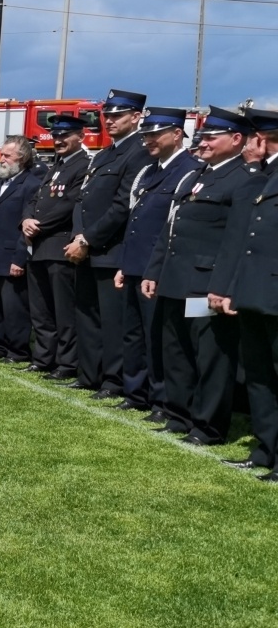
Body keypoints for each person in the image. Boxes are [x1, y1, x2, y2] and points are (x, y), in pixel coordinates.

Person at [142, 106, 264, 446]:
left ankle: (208, 425)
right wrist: (155, 270)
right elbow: (172, 228)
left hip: (205, 285)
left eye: (211, 137)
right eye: (202, 137)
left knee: (210, 357)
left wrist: (222, 286)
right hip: (175, 280)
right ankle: (178, 415)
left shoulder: (244, 178)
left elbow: (237, 240)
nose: (204, 143)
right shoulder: (197, 175)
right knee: (176, 351)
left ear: (236, 139)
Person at [115, 106, 198, 416]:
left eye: (155, 134)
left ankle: (161, 398)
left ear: (177, 134)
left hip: (158, 267)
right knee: (133, 333)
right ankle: (135, 392)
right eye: (146, 135)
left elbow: (173, 226)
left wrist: (157, 268)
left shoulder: (189, 170)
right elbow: (134, 220)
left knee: (158, 336)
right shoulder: (149, 170)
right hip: (135, 263)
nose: (148, 140)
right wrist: (124, 263)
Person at [67, 89, 150, 397]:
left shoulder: (139, 152)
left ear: (136, 117)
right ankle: (90, 374)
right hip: (86, 248)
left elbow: (123, 205)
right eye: (107, 116)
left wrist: (88, 239)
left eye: (117, 115)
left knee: (113, 321)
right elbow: (83, 199)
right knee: (87, 315)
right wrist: (78, 237)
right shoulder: (103, 154)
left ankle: (113, 380)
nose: (110, 121)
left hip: (111, 249)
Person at [211, 107, 278, 477]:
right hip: (254, 289)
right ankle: (266, 450)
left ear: (261, 138)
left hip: (273, 290)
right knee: (259, 375)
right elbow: (245, 232)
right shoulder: (262, 174)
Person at [21, 114, 89, 379]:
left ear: (80, 136)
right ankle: (43, 358)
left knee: (63, 311)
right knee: (41, 310)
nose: (58, 140)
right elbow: (35, 199)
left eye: (65, 136)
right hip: (38, 247)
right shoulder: (56, 166)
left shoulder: (83, 165)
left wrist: (38, 226)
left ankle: (67, 363)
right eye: (56, 136)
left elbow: (70, 204)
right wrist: (26, 220)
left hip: (60, 247)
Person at [0, 136, 39, 362]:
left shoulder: (31, 185)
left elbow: (26, 227)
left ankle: (18, 351)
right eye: (1, 154)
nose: (0, 159)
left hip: (12, 257)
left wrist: (19, 259)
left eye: (7, 155)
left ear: (21, 158)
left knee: (14, 309)